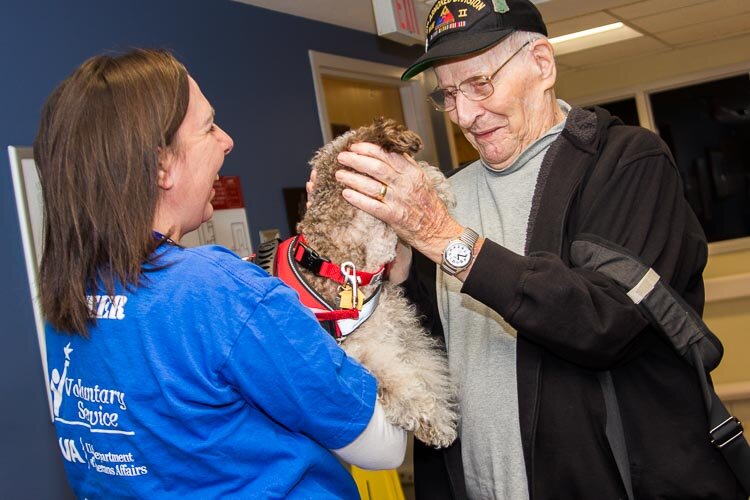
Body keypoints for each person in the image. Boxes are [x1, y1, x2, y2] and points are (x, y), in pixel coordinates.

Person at [328, 0, 746, 499]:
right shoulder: (449, 194)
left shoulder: (626, 163)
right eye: (449, 94)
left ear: (542, 64)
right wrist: (395, 274)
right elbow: (437, 343)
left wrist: (441, 236)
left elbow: (606, 322)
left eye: (481, 84)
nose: (465, 114)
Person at [35, 48, 405, 499]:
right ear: (160, 165)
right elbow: (385, 447)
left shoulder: (70, 295)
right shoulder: (215, 289)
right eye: (209, 127)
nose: (227, 140)